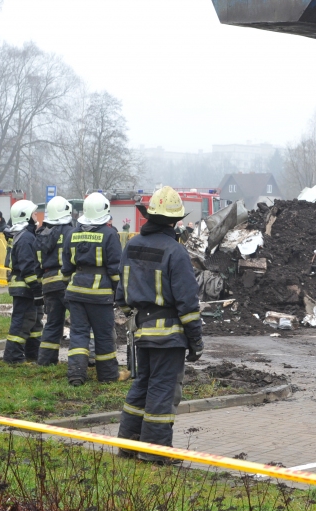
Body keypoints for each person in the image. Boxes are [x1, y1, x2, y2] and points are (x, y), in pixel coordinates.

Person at [116, 187, 202, 462]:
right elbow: (187, 303)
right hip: (169, 336)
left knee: (142, 384)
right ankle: (156, 452)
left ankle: (129, 444)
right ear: (175, 221)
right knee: (163, 389)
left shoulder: (132, 244)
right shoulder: (175, 252)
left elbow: (122, 294)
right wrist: (196, 341)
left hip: (141, 331)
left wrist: (138, 315)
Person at [61, 192, 127, 385]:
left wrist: (70, 286)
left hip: (75, 292)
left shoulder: (72, 234)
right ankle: (107, 375)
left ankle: (75, 375)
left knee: (79, 333)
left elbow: (66, 268)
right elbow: (115, 268)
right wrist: (118, 292)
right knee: (104, 334)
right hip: (100, 295)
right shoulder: (109, 235)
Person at [35, 196, 75, 366]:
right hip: (66, 282)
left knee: (52, 323)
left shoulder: (42, 234)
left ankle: (45, 360)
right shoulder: (70, 232)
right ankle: (81, 360)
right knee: (80, 322)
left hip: (48, 283)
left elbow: (37, 261)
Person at [3, 200, 43, 364]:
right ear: (26, 216)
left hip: (22, 287)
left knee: (32, 322)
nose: (36, 216)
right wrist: (36, 290)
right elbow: (28, 268)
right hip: (24, 287)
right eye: (34, 214)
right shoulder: (26, 237)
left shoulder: (22, 235)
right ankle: (13, 357)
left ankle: (32, 354)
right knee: (22, 322)